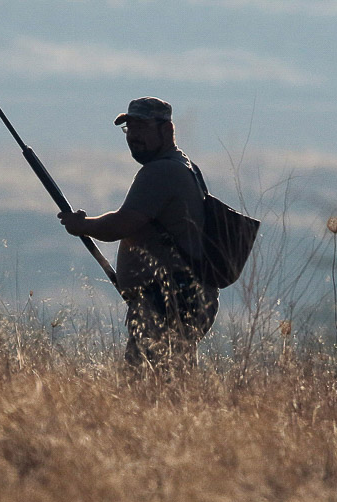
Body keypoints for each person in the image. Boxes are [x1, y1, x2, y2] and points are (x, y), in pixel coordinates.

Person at [58, 97, 218, 373]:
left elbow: (120, 225)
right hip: (181, 299)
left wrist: (82, 226)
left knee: (145, 386)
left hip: (166, 303)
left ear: (166, 131)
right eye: (129, 129)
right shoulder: (182, 166)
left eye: (142, 127)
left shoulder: (161, 171)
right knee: (173, 381)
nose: (134, 136)